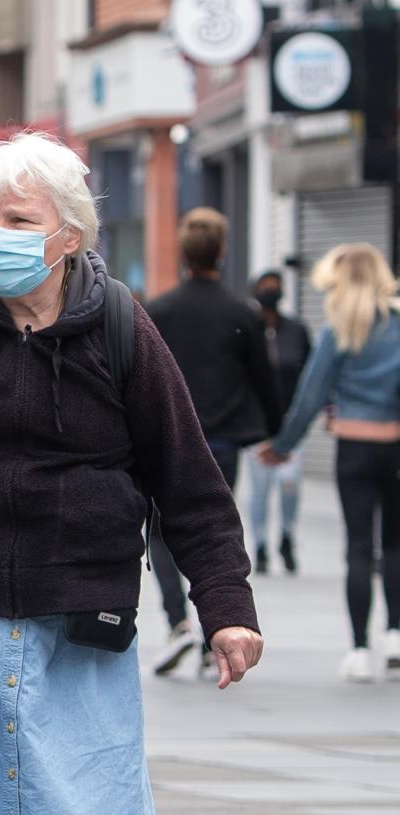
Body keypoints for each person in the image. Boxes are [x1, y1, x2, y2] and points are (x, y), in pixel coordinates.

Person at [0, 134, 263, 815]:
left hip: (80, 619)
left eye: (19, 220)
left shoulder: (121, 326)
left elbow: (188, 480)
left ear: (69, 235)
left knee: (86, 799)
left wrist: (225, 605)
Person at [144, 207, 283, 677]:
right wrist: (276, 433)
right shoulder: (242, 312)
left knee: (161, 533)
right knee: (212, 527)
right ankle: (212, 633)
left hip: (165, 441)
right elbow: (264, 382)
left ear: (182, 252)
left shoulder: (159, 311)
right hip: (221, 441)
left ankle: (178, 621)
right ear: (222, 250)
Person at [259, 243, 400, 682]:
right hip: (395, 447)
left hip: (354, 449)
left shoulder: (339, 330)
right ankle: (396, 635)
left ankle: (359, 650)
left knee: (359, 547)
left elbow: (311, 395)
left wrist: (283, 444)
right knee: (396, 544)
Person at [245, 270, 311, 574]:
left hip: (288, 422)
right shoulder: (248, 328)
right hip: (256, 423)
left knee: (289, 483)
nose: (271, 293)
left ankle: (286, 535)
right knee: (260, 489)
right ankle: (259, 544)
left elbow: (311, 378)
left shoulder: (296, 331)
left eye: (276, 288)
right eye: (265, 288)